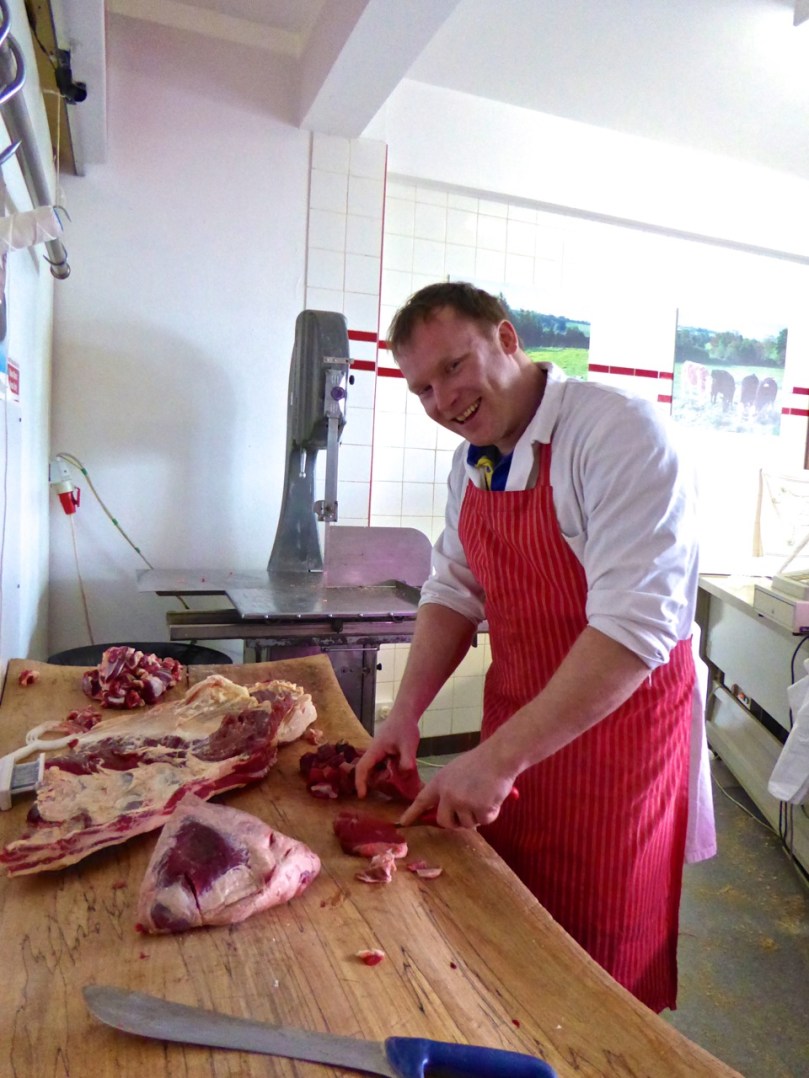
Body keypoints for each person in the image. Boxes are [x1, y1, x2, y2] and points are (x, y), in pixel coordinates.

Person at [355, 281, 714, 1013]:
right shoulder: (474, 461)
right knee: (510, 924)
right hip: (518, 717)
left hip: (617, 738)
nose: (442, 400)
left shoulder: (616, 436)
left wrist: (497, 757)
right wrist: (404, 716)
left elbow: (631, 630)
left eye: (454, 367)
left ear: (507, 340)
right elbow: (453, 589)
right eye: (422, 387)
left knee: (597, 951)